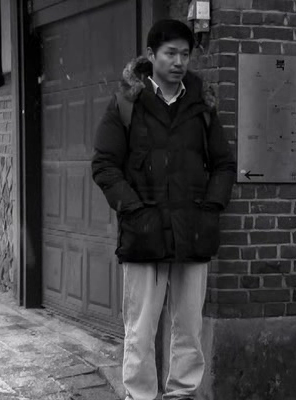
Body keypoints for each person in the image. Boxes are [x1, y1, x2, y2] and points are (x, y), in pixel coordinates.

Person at [91, 19, 236, 400]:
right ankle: (139, 395)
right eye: (170, 53)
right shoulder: (127, 103)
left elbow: (224, 164)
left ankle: (182, 393)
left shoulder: (202, 106)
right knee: (140, 329)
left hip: (193, 231)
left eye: (185, 54)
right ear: (151, 55)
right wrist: (134, 211)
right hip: (144, 233)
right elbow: (104, 165)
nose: (179, 62)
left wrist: (210, 209)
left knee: (189, 327)